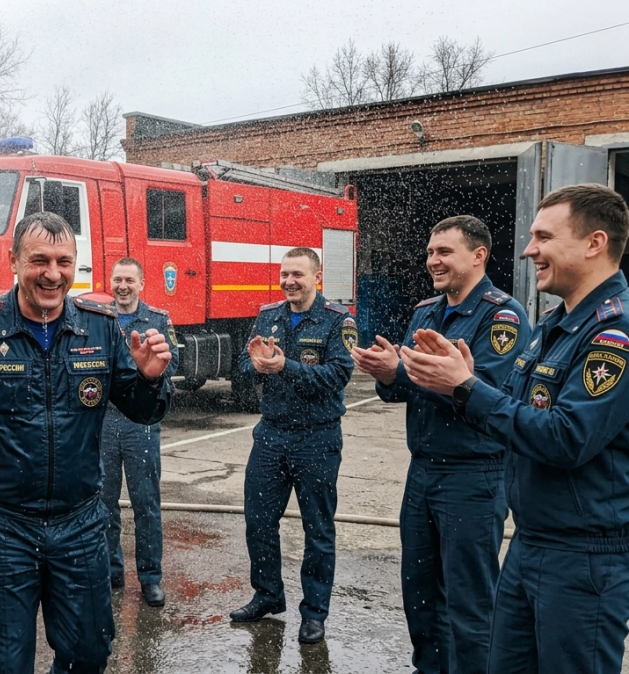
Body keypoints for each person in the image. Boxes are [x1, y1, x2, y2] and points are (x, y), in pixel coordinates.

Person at [0, 212, 173, 673]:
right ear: (13, 262)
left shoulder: (100, 326)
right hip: (2, 527)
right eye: (39, 261)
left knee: (88, 655)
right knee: (7, 663)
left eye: (64, 261)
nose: (53, 274)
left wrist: (151, 381)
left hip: (80, 525)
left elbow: (142, 410)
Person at [400, 184, 629, 674]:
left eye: (543, 237)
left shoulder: (614, 333)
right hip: (531, 539)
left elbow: (565, 438)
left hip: (583, 553)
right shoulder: (553, 325)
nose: (528, 250)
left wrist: (466, 387)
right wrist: (464, 385)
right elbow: (515, 412)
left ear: (594, 243)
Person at [352, 216, 526, 673]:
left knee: (469, 605)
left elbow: (484, 391)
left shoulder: (502, 315)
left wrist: (406, 373)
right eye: (430, 252)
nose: (433, 261)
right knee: (420, 594)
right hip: (423, 471)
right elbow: (400, 390)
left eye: (444, 252)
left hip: (474, 475)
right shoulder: (426, 311)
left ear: (478, 256)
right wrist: (388, 373)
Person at [229, 247, 354, 646]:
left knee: (317, 528)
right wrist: (258, 364)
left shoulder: (338, 321)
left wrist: (288, 367)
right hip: (271, 434)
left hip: (316, 437)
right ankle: (268, 596)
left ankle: (314, 614)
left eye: (297, 274)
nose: (289, 282)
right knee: (259, 522)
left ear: (316, 277)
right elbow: (243, 366)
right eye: (284, 275)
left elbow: (338, 375)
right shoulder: (269, 316)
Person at [100, 256, 178, 608]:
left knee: (146, 503)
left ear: (141, 283)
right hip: (102, 421)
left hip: (140, 423)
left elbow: (173, 363)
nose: (122, 286)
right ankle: (111, 571)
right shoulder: (99, 319)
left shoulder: (158, 320)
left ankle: (150, 578)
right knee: (103, 504)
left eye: (129, 280)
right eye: (117, 280)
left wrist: (143, 371)